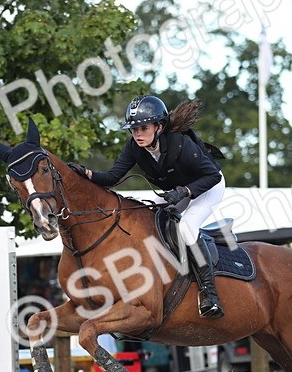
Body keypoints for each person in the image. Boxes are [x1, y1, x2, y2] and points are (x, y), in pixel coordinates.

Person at [70, 95, 226, 319]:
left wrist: (185, 192)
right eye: (133, 129)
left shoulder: (180, 145)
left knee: (187, 227)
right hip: (177, 190)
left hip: (208, 186)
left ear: (159, 127)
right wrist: (87, 173)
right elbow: (113, 176)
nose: (137, 134)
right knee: (144, 216)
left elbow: (211, 175)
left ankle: (209, 294)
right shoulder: (134, 147)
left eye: (143, 128)